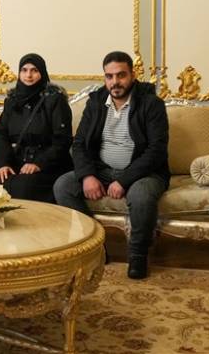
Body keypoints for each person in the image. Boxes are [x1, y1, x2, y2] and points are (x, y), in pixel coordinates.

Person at [53, 51, 169, 279]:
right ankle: (95, 247)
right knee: (63, 186)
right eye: (109, 76)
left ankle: (137, 255)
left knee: (141, 195)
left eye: (121, 75)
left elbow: (156, 150)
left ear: (132, 75)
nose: (115, 82)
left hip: (144, 173)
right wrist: (88, 176)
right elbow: (79, 144)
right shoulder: (96, 103)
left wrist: (124, 180)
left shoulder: (151, 104)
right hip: (102, 170)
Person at [0, 53, 73, 202]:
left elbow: (62, 139)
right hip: (17, 161)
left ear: (42, 73)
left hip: (48, 165)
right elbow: (1, 134)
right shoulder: (12, 101)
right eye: (24, 70)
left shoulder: (55, 100)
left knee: (24, 187)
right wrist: (3, 164)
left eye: (34, 70)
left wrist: (39, 163)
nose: (28, 75)